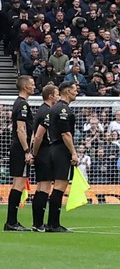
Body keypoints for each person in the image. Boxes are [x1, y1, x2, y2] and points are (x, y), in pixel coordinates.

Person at [25, 84, 74, 234]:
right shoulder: (49, 111)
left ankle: (38, 224)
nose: (58, 96)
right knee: (47, 188)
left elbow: (35, 134)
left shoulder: (43, 110)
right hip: (47, 152)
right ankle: (49, 223)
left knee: (42, 188)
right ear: (51, 96)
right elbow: (39, 135)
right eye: (57, 93)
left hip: (46, 151)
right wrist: (34, 152)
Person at [7, 73, 34, 232]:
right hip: (20, 147)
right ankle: (11, 222)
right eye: (31, 84)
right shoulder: (22, 105)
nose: (34, 86)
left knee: (18, 183)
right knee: (18, 184)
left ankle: (12, 221)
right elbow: (21, 129)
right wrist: (27, 150)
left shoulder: (18, 103)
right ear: (25, 86)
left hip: (17, 146)